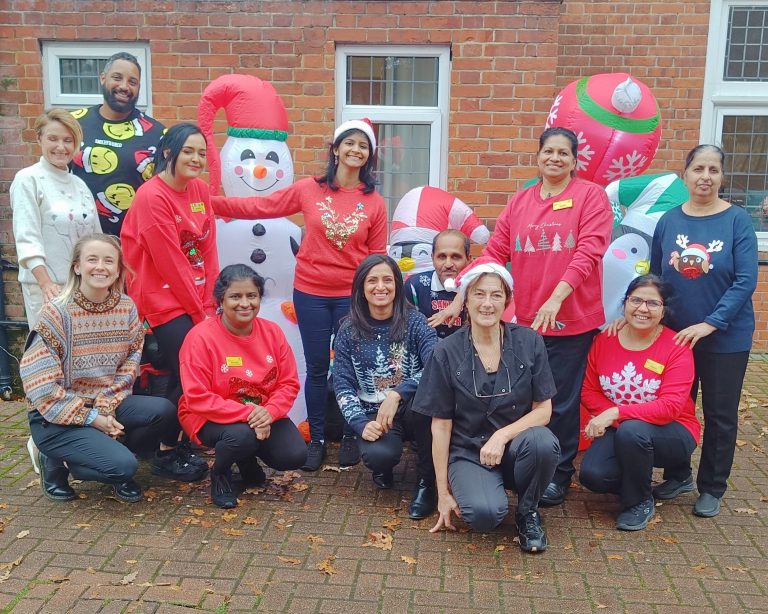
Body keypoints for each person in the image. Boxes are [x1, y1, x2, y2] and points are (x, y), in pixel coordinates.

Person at [431, 127, 613, 506]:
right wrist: (459, 296)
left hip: (570, 319)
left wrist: (557, 298)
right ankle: (514, 463)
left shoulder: (590, 196)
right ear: (538, 157)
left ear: (575, 160)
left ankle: (558, 474)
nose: (555, 159)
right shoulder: (520, 201)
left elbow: (589, 252)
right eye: (548, 151)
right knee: (523, 396)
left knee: (558, 399)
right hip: (528, 321)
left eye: (564, 153)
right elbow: (494, 252)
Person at [211, 118, 388, 471]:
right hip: (311, 292)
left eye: (363, 146)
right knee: (318, 367)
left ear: (369, 157)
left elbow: (376, 257)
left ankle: (352, 433)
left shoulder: (374, 202)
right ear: (336, 149)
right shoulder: (309, 189)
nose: (355, 150)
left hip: (351, 297)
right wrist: (211, 202)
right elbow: (262, 206)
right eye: (349, 143)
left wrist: (372, 296)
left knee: (353, 365)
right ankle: (319, 439)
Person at [121, 122, 267, 483]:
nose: (197, 158)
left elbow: (207, 249)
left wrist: (213, 300)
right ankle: (167, 452)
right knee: (190, 373)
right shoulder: (152, 198)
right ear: (168, 152)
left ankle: (177, 441)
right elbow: (170, 262)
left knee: (195, 372)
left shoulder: (199, 190)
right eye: (189, 151)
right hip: (161, 299)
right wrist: (200, 314)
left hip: (197, 297)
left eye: (202, 153)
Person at [20, 234, 177, 503]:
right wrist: (92, 419)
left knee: (164, 412)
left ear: (118, 269)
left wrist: (105, 407)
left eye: (109, 261)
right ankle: (58, 460)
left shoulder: (126, 307)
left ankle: (108, 454)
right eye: (92, 259)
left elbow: (130, 363)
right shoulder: (56, 312)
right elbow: (42, 386)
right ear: (77, 267)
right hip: (54, 414)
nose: (100, 267)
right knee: (125, 467)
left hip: (104, 402)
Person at [413, 263, 559, 552]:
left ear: (507, 300)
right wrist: (442, 493)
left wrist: (502, 436)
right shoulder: (446, 352)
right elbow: (440, 426)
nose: (487, 303)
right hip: (469, 451)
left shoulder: (530, 341)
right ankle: (478, 489)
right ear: (465, 300)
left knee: (543, 443)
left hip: (517, 446)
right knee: (483, 517)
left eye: (496, 295)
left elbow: (544, 410)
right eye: (479, 294)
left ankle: (528, 512)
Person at [649, 145, 757, 518]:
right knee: (675, 407)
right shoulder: (668, 221)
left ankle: (712, 486)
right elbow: (657, 279)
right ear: (685, 175)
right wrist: (648, 318)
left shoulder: (737, 221)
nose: (705, 177)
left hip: (725, 337)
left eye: (713, 169)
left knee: (719, 412)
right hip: (675, 338)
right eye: (698, 169)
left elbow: (745, 281)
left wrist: (710, 323)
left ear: (722, 177)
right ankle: (678, 474)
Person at [177, 264, 307, 508]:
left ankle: (245, 459)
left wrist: (269, 412)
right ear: (221, 300)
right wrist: (252, 415)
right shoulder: (200, 338)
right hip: (207, 415)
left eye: (252, 296)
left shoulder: (273, 332)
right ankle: (221, 475)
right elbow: (197, 397)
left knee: (294, 454)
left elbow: (288, 383)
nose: (245, 303)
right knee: (242, 436)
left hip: (262, 412)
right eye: (235, 296)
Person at [579, 275, 701, 531]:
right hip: (621, 429)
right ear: (624, 304)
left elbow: (670, 407)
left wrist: (614, 413)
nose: (642, 308)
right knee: (593, 475)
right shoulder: (604, 340)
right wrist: (612, 416)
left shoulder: (676, 346)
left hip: (674, 431)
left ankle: (639, 501)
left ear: (664, 310)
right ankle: (636, 480)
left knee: (633, 431)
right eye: (635, 300)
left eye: (652, 303)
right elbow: (589, 391)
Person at [333, 255, 438, 519]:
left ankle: (427, 482)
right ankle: (384, 467)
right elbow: (342, 383)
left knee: (430, 408)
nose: (381, 287)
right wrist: (359, 423)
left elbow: (435, 365)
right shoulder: (348, 330)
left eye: (387, 280)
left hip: (412, 406)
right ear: (361, 287)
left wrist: (398, 393)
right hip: (373, 413)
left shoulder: (415, 322)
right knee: (379, 455)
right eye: (372, 280)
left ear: (397, 285)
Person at [11, 109, 101, 330]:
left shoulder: (79, 184)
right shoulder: (28, 179)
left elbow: (96, 238)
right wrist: (45, 283)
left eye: (68, 140)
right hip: (47, 287)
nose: (61, 147)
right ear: (39, 138)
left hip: (84, 287)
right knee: (50, 354)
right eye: (53, 138)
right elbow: (26, 236)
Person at [70, 52, 165, 236]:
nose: (124, 86)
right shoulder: (73, 124)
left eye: (132, 82)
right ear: (103, 78)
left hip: (134, 244)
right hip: (78, 242)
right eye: (117, 78)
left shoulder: (157, 134)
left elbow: (164, 193)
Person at [404, 229, 470, 338]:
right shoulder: (415, 286)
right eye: (442, 257)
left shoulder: (477, 287)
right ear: (432, 258)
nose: (448, 264)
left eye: (456, 257)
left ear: (468, 259)